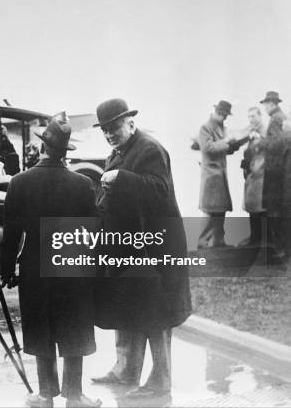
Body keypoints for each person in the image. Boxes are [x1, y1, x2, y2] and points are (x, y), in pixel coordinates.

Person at [91, 98, 191, 398]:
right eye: (105, 129)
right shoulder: (120, 151)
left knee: (157, 313)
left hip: (155, 248)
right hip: (130, 248)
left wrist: (121, 178)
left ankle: (161, 379)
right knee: (129, 307)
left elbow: (159, 190)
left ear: (130, 122)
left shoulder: (149, 148)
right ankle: (126, 369)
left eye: (115, 127)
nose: (109, 133)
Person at [0, 115, 101, 408]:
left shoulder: (19, 183)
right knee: (74, 327)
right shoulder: (82, 184)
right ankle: (75, 395)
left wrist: (7, 271)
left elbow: (11, 235)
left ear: (43, 147)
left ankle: (45, 395)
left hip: (34, 267)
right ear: (65, 151)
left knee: (41, 328)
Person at [197, 100, 237, 249]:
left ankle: (218, 241)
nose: (225, 118)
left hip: (219, 174)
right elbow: (207, 148)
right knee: (210, 209)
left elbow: (223, 148)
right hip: (211, 175)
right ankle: (203, 241)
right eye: (224, 115)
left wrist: (234, 144)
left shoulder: (221, 127)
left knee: (220, 209)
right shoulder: (205, 128)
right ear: (218, 113)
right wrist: (226, 141)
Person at [260, 91, 289, 262]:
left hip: (275, 171)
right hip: (280, 170)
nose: (265, 107)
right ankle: (282, 247)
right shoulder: (281, 117)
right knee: (278, 210)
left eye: (266, 104)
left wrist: (261, 141)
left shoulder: (276, 118)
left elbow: (278, 143)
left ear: (272, 103)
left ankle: (281, 249)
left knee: (275, 210)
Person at [240, 107, 267, 247]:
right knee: (253, 207)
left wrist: (260, 138)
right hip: (252, 175)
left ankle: (260, 239)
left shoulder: (265, 130)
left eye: (253, 116)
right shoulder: (252, 131)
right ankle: (255, 238)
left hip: (261, 174)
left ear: (260, 116)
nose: (251, 119)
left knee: (260, 208)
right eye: (249, 117)